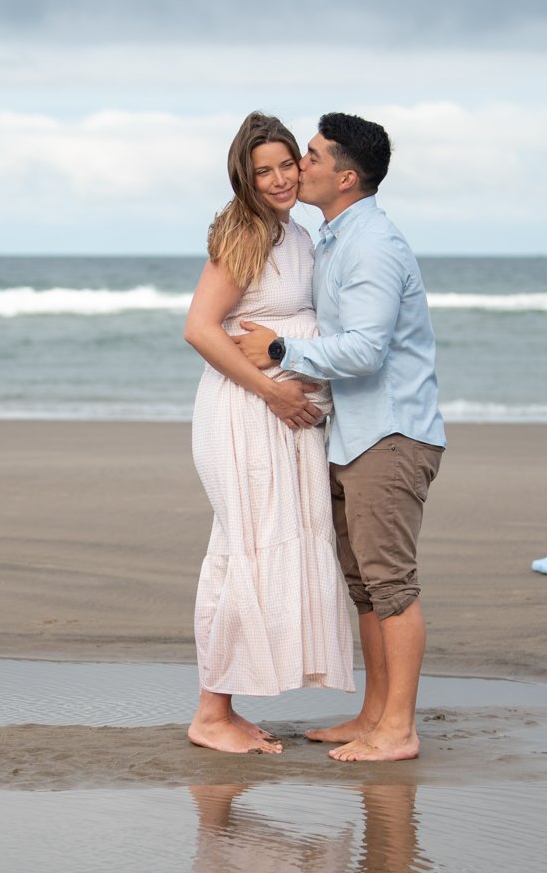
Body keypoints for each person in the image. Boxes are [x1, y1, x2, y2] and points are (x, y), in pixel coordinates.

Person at [235, 112, 445, 763]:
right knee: (364, 585)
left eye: (315, 156)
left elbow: (366, 351)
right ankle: (373, 715)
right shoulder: (333, 238)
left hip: (390, 433)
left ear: (347, 177)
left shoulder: (373, 245)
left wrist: (276, 347)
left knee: (391, 585)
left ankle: (398, 730)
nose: (301, 164)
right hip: (354, 434)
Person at [182, 111, 355, 755]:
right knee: (244, 548)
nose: (281, 179)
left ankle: (224, 706)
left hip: (283, 414)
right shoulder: (247, 231)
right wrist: (275, 394)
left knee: (271, 544)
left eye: (288, 164)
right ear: (244, 179)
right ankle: (210, 713)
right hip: (246, 414)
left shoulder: (299, 233)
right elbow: (200, 328)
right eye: (264, 171)